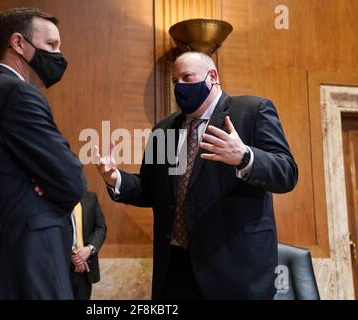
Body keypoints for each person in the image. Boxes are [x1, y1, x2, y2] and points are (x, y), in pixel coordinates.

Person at [95, 52, 298, 299]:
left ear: (212, 76)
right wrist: (115, 178)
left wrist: (245, 156)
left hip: (233, 271)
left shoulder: (252, 111)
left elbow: (287, 172)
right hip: (176, 269)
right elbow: (149, 190)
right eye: (175, 80)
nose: (179, 86)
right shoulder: (164, 129)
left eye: (187, 77)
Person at [0, 7, 86, 299]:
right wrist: (52, 186)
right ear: (18, 43)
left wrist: (45, 183)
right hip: (24, 268)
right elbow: (72, 181)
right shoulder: (17, 94)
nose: (59, 54)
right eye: (51, 45)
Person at [69, 191, 107, 300]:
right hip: (62, 267)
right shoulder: (55, 197)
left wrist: (89, 249)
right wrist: (73, 254)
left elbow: (101, 228)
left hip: (86, 269)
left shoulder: (91, 197)